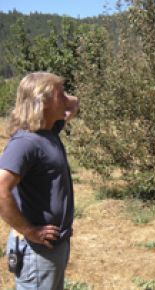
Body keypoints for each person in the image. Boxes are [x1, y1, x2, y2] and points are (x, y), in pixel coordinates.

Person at [0, 72, 79, 289]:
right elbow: (1, 189)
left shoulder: (49, 130)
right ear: (41, 101)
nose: (66, 98)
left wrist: (60, 94)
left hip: (52, 246)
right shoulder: (25, 142)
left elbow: (74, 103)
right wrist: (28, 231)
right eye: (59, 94)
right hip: (36, 250)